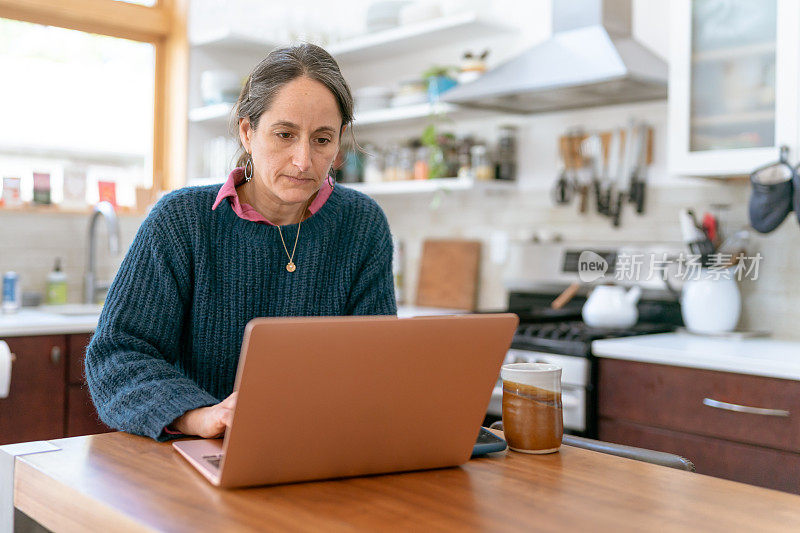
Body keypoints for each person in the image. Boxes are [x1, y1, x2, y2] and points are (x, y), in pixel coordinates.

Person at [85, 44, 397, 442]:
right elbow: (117, 355)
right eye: (285, 135)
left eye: (321, 140)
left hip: (322, 448)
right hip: (201, 451)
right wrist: (199, 416)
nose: (303, 160)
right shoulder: (181, 222)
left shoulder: (362, 223)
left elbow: (377, 364)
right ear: (248, 133)